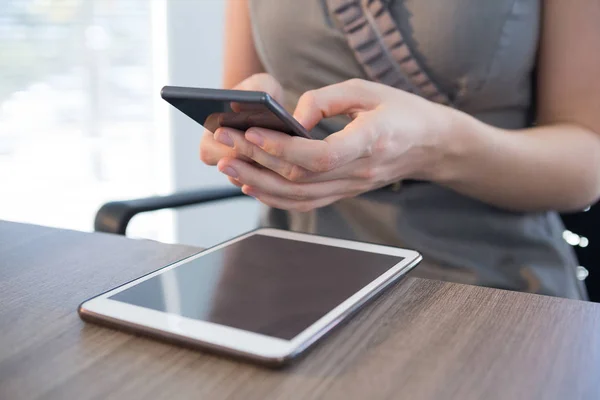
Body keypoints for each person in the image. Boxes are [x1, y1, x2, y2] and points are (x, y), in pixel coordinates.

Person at [199, 0, 600, 299]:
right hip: (294, 276)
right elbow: (238, 95)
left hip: (494, 288)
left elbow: (586, 163)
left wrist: (437, 145)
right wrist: (241, 139)